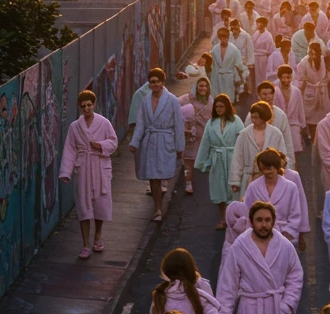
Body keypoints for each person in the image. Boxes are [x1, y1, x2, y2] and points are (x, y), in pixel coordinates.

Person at [59, 89, 117, 260]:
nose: (86, 108)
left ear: (94, 104)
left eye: (89, 105)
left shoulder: (104, 123)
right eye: (83, 106)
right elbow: (69, 149)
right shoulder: (75, 127)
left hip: (100, 166)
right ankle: (85, 244)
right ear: (80, 107)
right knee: (83, 206)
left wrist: (100, 145)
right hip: (83, 167)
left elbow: (113, 142)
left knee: (100, 203)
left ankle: (98, 235)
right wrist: (66, 172)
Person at [130, 67, 185, 221]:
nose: (154, 85)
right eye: (151, 82)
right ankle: (158, 209)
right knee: (153, 177)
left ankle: (160, 202)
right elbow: (140, 123)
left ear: (162, 82)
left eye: (157, 82)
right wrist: (134, 142)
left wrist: (179, 147)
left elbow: (179, 125)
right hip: (150, 140)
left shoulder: (172, 100)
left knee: (163, 175)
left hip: (166, 139)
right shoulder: (145, 100)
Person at [194, 93, 244, 229]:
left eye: (222, 106)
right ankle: (222, 219)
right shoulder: (211, 123)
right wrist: (201, 162)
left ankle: (233, 219)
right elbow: (205, 143)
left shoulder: (236, 121)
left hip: (232, 158)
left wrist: (243, 160)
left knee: (233, 190)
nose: (219, 109)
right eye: (217, 107)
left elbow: (242, 141)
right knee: (218, 190)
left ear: (227, 107)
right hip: (217, 159)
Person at [229, 101, 289, 199]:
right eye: (252, 117)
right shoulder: (244, 134)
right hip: (250, 176)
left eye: (256, 117)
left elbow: (282, 155)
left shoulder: (276, 133)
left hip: (271, 177)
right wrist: (235, 180)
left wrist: (281, 174)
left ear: (264, 117)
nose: (253, 120)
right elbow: (237, 157)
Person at [243, 148, 302, 242]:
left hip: (285, 236)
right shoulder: (253, 187)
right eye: (263, 169)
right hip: (259, 235)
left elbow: (295, 214)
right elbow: (246, 212)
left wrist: (288, 233)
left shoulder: (291, 187)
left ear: (277, 166)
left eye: (269, 168)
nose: (266, 172)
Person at [296, 39, 330, 141]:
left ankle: (323, 138)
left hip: (322, 92)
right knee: (310, 117)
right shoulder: (303, 63)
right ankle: (312, 138)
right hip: (309, 91)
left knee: (324, 117)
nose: (313, 56)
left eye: (315, 53)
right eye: (311, 53)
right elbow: (299, 78)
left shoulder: (323, 61)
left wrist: (329, 65)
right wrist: (302, 86)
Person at [274, 64, 307, 154]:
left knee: (295, 152)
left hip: (294, 125)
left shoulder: (296, 91)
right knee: (280, 152)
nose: (286, 80)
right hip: (279, 125)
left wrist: (303, 126)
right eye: (283, 78)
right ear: (279, 78)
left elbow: (301, 110)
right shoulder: (275, 92)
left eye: (288, 77)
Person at [210, 27, 246, 100]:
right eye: (221, 38)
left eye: (225, 38)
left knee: (229, 99)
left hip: (229, 77)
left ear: (228, 38)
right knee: (218, 99)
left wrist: (239, 77)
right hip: (217, 77)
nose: (223, 40)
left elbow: (239, 65)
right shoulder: (214, 50)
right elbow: (212, 65)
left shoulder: (234, 50)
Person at [229, 17, 255, 98]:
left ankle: (245, 93)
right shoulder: (230, 35)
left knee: (244, 76)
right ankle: (234, 93)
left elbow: (250, 49)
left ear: (239, 25)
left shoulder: (245, 36)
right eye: (232, 27)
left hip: (243, 60)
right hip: (232, 60)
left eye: (236, 26)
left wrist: (250, 62)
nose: (234, 29)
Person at [252, 14, 274, 85]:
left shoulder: (268, 35)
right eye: (257, 23)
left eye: (260, 23)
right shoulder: (256, 33)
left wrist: (260, 52)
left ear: (264, 25)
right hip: (255, 57)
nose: (258, 25)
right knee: (257, 75)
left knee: (263, 74)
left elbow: (270, 50)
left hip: (263, 58)